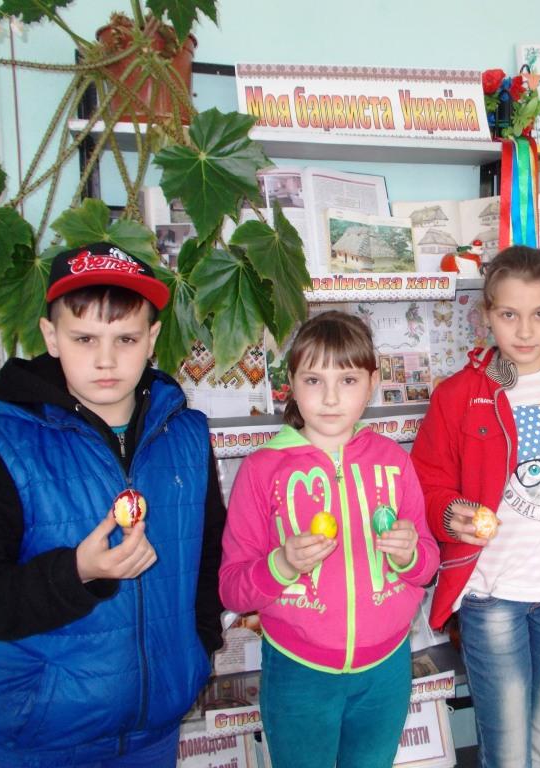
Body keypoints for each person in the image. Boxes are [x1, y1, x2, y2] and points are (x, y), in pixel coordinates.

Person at [0, 242, 225, 767]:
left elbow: (208, 557)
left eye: (126, 338)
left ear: (152, 338)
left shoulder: (186, 435)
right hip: (42, 735)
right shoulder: (5, 448)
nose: (106, 360)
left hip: (154, 731)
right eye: (84, 338)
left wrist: (196, 649)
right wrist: (76, 573)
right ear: (51, 336)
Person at [411, 245, 540, 768]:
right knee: (508, 755)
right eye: (509, 315)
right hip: (493, 597)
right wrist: (449, 515)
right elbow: (427, 480)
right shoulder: (459, 394)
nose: (525, 331)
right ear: (487, 314)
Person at [218, 310, 439, 768]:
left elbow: (427, 565)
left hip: (386, 672)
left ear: (372, 383)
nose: (331, 398)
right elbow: (232, 588)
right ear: (291, 383)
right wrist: (282, 565)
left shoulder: (394, 461)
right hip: (299, 673)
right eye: (314, 380)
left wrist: (409, 555)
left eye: (349, 380)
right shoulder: (262, 470)